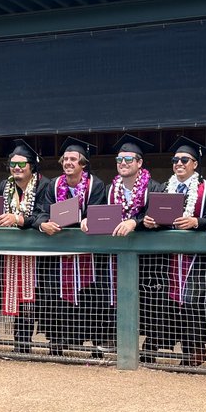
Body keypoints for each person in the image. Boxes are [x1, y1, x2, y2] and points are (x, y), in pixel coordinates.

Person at [142, 136, 206, 366]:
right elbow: (156, 217)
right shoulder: (166, 187)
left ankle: (196, 348)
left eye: (185, 159)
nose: (179, 164)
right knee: (170, 302)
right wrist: (151, 222)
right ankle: (178, 349)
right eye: (175, 160)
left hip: (197, 258)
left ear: (195, 164)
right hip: (171, 258)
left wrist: (196, 222)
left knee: (194, 302)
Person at [31, 137, 107, 357]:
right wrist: (43, 224)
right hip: (59, 252)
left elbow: (100, 211)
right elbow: (40, 211)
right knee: (56, 296)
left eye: (73, 159)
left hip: (87, 254)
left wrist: (89, 219)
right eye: (65, 159)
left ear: (83, 164)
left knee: (89, 297)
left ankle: (95, 344)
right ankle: (56, 342)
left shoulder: (96, 185)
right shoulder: (53, 185)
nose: (68, 163)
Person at [85, 134, 159, 354]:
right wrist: (88, 219)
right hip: (114, 256)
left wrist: (134, 222)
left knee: (146, 299)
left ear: (139, 163)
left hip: (146, 258)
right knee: (111, 297)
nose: (123, 163)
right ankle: (112, 340)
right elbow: (98, 213)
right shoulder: (109, 189)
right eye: (119, 160)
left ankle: (149, 348)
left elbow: (155, 217)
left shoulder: (153, 187)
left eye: (128, 159)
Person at [0, 141, 41, 354]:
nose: (17, 168)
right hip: (3, 254)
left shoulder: (44, 186)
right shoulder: (2, 187)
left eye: (21, 164)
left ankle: (23, 344)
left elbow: (44, 214)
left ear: (31, 166)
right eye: (13, 164)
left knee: (29, 300)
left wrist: (19, 219)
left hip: (35, 255)